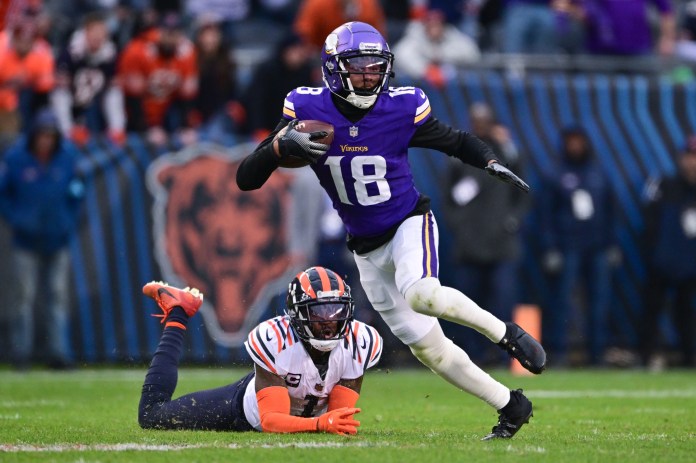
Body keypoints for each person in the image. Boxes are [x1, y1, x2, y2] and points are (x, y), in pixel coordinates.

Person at [235, 21, 546, 440]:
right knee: (428, 348)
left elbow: (454, 141)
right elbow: (246, 178)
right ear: (333, 69)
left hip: (407, 222)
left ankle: (506, 333)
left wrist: (489, 161)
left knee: (422, 291)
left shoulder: (400, 107)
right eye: (359, 66)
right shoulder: (305, 108)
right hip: (365, 248)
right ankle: (511, 405)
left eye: (375, 66)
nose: (369, 75)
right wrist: (276, 149)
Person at [138, 266, 381, 434]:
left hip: (303, 412)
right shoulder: (276, 339)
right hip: (244, 411)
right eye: (318, 310)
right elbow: (270, 421)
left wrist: (327, 423)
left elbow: (338, 420)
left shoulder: (359, 341)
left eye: (336, 310)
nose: (329, 320)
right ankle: (178, 310)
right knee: (151, 416)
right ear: (297, 314)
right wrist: (319, 424)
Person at [441, 102, 529, 366]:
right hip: (469, 245)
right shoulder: (462, 154)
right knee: (468, 306)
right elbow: (448, 198)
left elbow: (522, 189)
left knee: (503, 302)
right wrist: (460, 225)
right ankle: (473, 356)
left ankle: (505, 356)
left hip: (501, 245)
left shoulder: (503, 151)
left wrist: (511, 221)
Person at [0, 109, 85, 370]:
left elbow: (78, 190)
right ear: (34, 136)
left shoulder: (67, 157)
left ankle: (58, 354)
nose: (46, 141)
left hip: (57, 238)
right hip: (25, 241)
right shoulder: (16, 158)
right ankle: (20, 354)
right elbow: (3, 193)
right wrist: (16, 219)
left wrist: (67, 220)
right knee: (22, 297)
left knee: (57, 297)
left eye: (50, 136)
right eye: (42, 135)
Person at [539, 125, 621, 366]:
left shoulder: (598, 173)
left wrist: (612, 243)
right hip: (567, 247)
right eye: (570, 141)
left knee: (599, 302)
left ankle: (597, 355)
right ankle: (560, 353)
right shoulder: (555, 174)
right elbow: (545, 215)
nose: (575, 146)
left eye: (579, 141)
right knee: (562, 301)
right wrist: (550, 247)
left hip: (597, 247)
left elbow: (611, 211)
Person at [638, 136, 696, 369]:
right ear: (681, 158)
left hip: (692, 266)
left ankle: (689, 357)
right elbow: (648, 223)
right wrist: (657, 255)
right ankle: (647, 356)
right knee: (652, 309)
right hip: (663, 262)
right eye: (690, 156)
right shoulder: (663, 185)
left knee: (688, 314)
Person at [50, 11, 126, 148]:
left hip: (94, 102)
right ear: (85, 32)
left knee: (114, 90)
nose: (97, 36)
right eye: (94, 31)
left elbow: (113, 86)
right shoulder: (71, 52)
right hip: (73, 99)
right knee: (60, 91)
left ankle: (116, 129)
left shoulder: (110, 55)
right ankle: (67, 131)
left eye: (101, 32)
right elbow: (61, 86)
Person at [392, 9, 480, 89]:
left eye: (437, 24)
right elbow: (400, 55)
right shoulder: (416, 34)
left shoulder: (451, 35)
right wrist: (426, 70)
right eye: (431, 24)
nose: (434, 28)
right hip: (420, 83)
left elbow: (472, 53)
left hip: (450, 83)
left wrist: (442, 56)